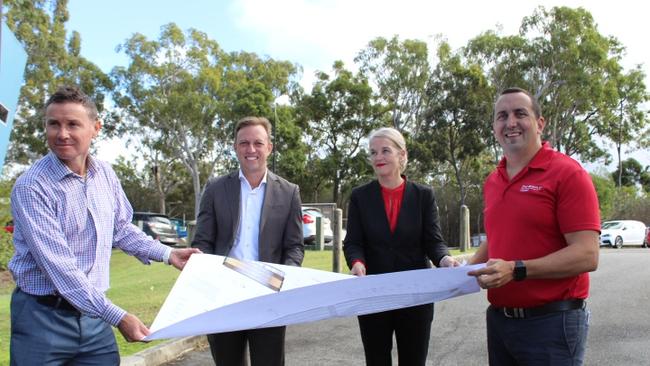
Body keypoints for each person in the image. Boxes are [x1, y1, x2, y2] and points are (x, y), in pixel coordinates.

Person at [9, 85, 201, 364]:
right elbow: (62, 271)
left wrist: (168, 254)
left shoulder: (105, 174)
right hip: (42, 319)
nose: (62, 133)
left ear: (95, 128)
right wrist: (118, 316)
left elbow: (121, 228)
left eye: (73, 124)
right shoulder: (31, 187)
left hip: (94, 317)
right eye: (54, 124)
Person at [467, 87, 600, 365]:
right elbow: (498, 238)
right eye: (502, 116)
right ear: (494, 127)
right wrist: (468, 266)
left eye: (520, 113)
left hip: (552, 323)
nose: (510, 122)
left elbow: (587, 254)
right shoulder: (494, 180)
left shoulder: (568, 173)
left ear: (540, 124)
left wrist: (516, 270)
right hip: (500, 321)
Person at [192, 116, 304, 366]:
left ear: (269, 147)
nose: (251, 150)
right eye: (244, 143)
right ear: (234, 147)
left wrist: (287, 277)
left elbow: (295, 246)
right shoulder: (215, 188)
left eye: (258, 143)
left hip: (269, 295)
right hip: (223, 296)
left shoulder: (289, 192)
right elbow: (203, 242)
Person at [343, 127, 460, 366]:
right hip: (373, 294)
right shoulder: (359, 197)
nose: (378, 157)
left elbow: (433, 241)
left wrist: (445, 260)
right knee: (376, 360)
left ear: (402, 155)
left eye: (386, 151)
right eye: (373, 152)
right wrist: (357, 263)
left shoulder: (423, 195)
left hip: (415, 295)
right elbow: (353, 242)